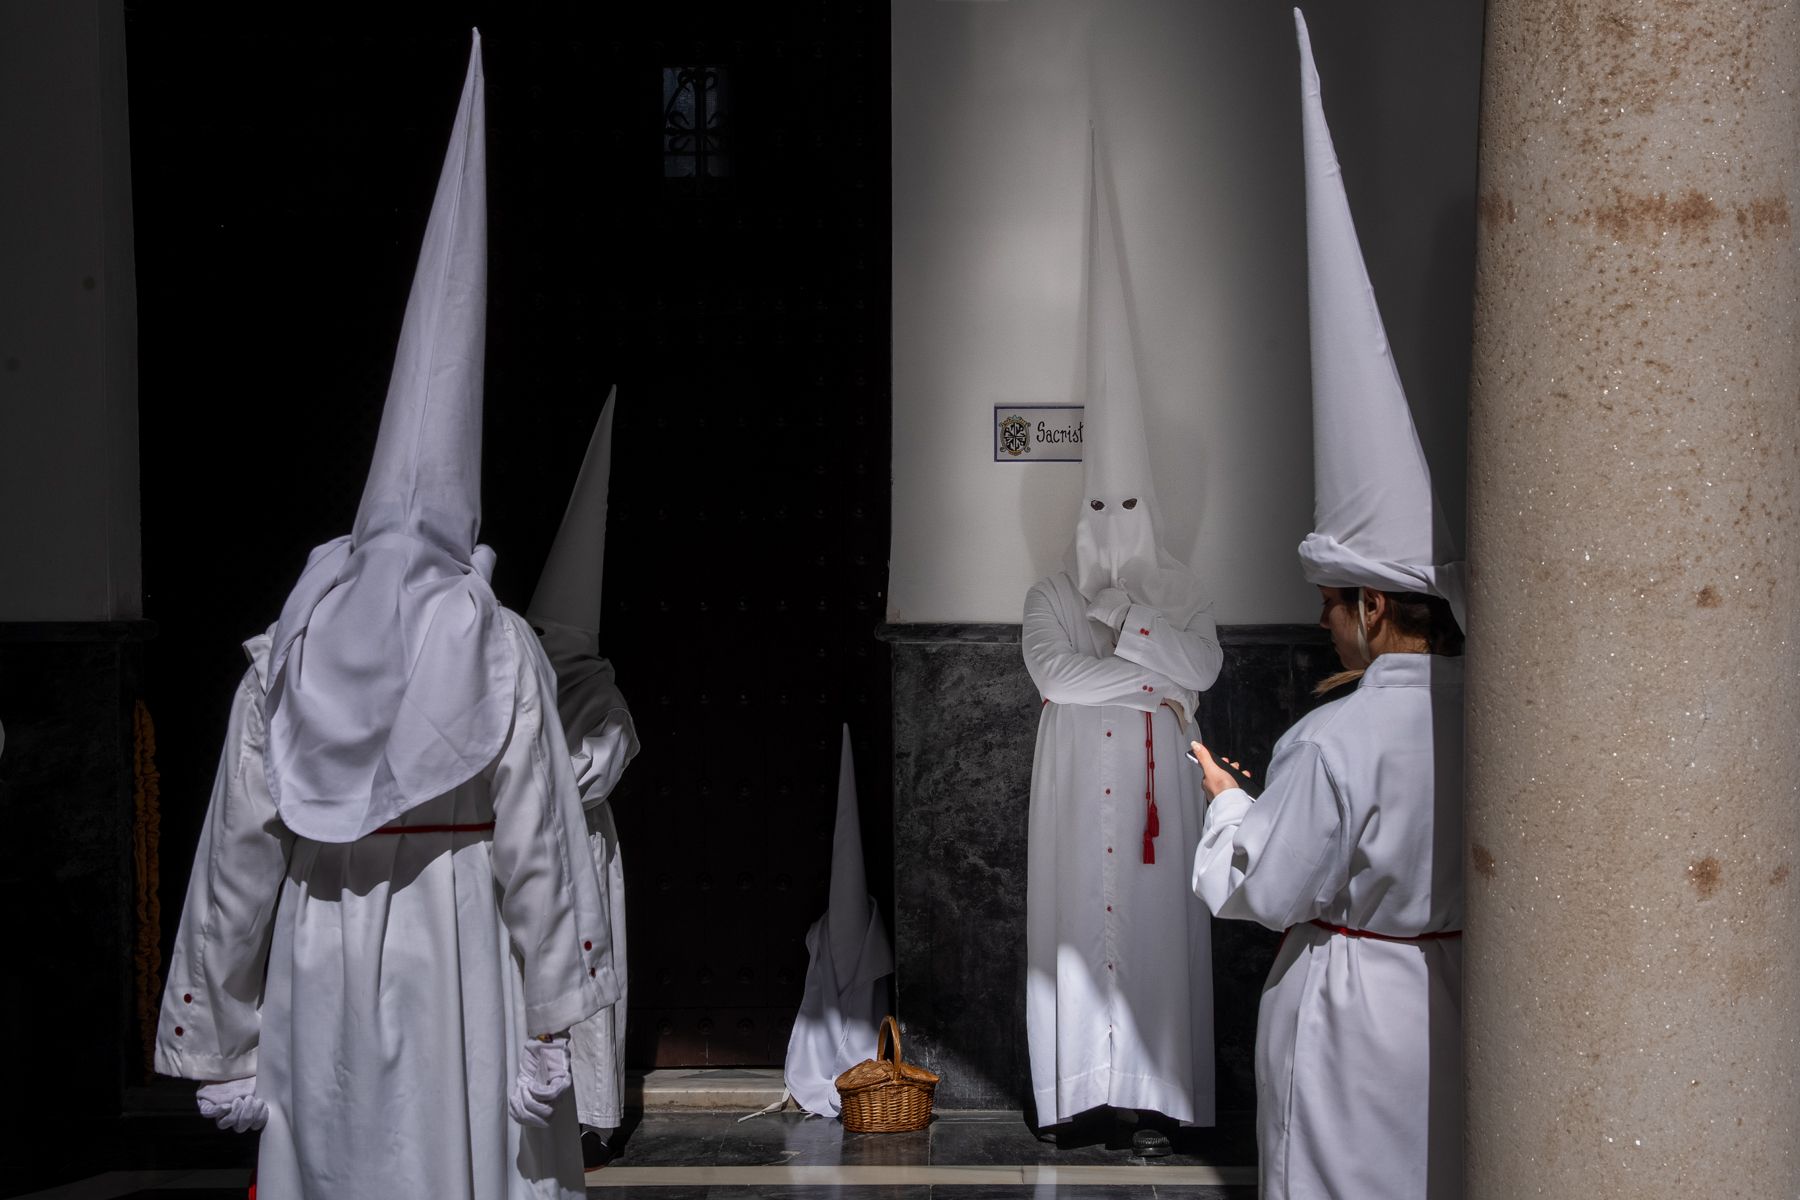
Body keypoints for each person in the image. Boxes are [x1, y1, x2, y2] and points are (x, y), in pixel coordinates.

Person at [153, 34, 613, 1199]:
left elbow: (238, 851)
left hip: (322, 942)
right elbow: (541, 847)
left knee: (342, 1155)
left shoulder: (292, 643)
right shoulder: (496, 644)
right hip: (459, 948)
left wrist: (223, 1033)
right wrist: (555, 1017)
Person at [1189, 13, 1467, 1198]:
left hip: (1352, 1012)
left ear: (1369, 602)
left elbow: (1270, 886)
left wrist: (1227, 809)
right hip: (1449, 1000)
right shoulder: (1486, 717)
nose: (1321, 623)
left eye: (1329, 603)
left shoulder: (1334, 736)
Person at [1023, 128, 1223, 1147]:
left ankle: (1159, 1091)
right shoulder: (1050, 591)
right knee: (1075, 922)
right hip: (1076, 792)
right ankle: (1076, 1092)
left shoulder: (1179, 589)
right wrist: (1147, 675)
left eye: (1128, 504)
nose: (1112, 523)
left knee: (1153, 927)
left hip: (1155, 798)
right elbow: (1057, 679)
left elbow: (1206, 667)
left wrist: (1131, 628)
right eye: (1097, 504)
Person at [525, 387, 642, 1162]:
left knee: (587, 990)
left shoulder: (601, 696)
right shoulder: (515, 682)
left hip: (579, 856)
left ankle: (590, 1116)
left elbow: (592, 770)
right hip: (529, 856)